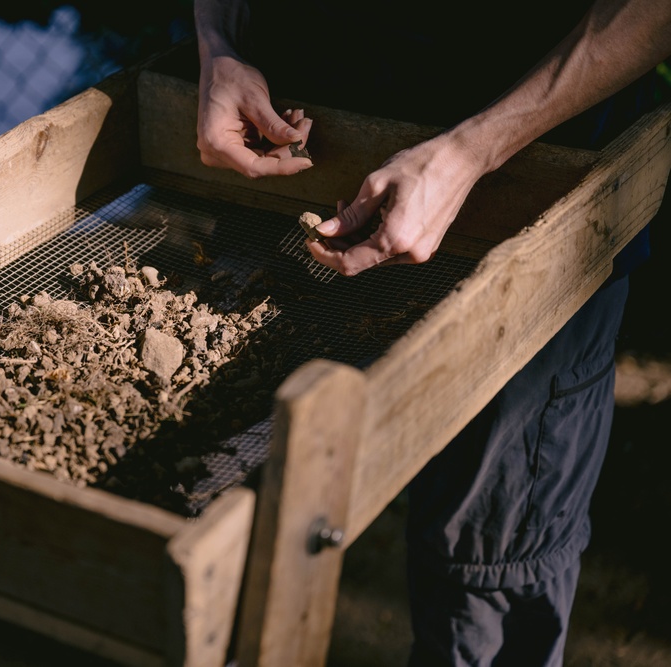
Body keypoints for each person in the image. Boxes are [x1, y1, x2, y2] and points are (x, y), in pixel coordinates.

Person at [194, 0, 671, 664]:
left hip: (536, 197)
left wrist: (469, 153)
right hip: (284, 167)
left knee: (488, 579)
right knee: (212, 534)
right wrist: (217, 42)